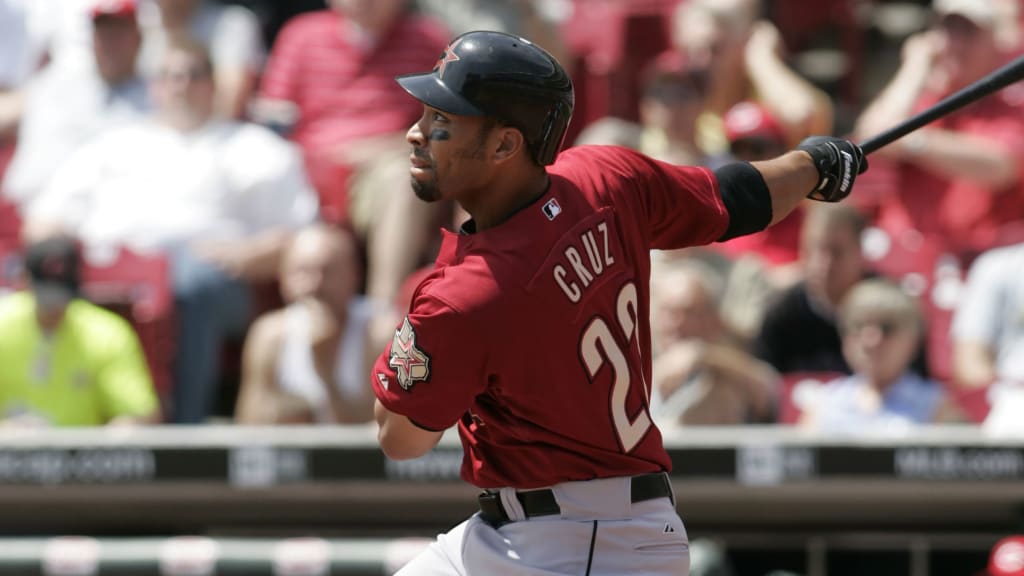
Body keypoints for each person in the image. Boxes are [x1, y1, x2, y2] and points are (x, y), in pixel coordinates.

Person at [369, 30, 865, 575]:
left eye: (443, 121)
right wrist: (815, 163)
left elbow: (401, 439)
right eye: (424, 114)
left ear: (506, 145)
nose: (417, 134)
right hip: (552, 530)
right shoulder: (602, 178)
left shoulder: (466, 293)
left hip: (574, 542)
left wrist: (427, 331)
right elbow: (737, 199)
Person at [24, 38, 318, 423]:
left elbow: (305, 236)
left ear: (213, 85)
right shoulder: (112, 145)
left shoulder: (254, 148)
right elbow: (44, 220)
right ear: (154, 86)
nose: (181, 84)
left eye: (193, 75)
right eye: (169, 76)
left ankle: (183, 431)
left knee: (189, 282)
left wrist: (246, 254)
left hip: (214, 280)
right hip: (116, 275)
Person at [852, 0, 1024, 263]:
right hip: (898, 256)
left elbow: (1000, 165)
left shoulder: (1011, 104)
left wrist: (912, 142)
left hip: (973, 265)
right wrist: (914, 66)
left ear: (996, 44)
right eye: (948, 29)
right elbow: (869, 138)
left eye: (969, 32)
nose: (955, 43)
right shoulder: (922, 97)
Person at [3, 0, 151, 208]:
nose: (110, 43)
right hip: (22, 204)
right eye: (103, 34)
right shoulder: (55, 83)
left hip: (90, 215)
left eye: (119, 34)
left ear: (138, 39)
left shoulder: (156, 96)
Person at [0, 236, 160, 426]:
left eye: (62, 299)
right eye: (46, 299)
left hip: (80, 454)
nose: (54, 309)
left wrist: (117, 437)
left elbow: (138, 412)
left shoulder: (107, 333)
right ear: (24, 281)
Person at [235, 224, 377, 425]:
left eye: (327, 271)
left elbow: (387, 437)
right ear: (283, 279)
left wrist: (325, 369)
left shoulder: (379, 333)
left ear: (354, 274)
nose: (315, 285)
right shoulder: (268, 336)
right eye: (303, 271)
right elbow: (249, 429)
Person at [797, 278, 960, 436]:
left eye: (886, 328)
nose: (871, 341)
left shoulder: (936, 405)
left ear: (913, 340)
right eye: (858, 326)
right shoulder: (824, 403)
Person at [649, 258, 778, 427]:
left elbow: (768, 392)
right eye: (669, 312)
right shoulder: (634, 365)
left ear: (714, 320)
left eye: (688, 312)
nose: (676, 323)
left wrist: (702, 355)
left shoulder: (726, 370)